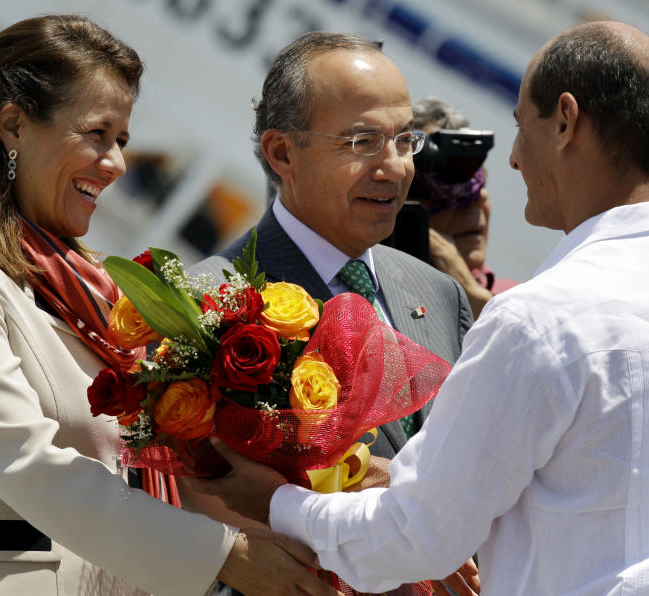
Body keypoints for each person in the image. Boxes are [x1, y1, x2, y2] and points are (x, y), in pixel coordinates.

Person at [195, 21, 649, 594]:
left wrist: (275, 501)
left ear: (565, 122)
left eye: (520, 125)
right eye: (362, 140)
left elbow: (414, 537)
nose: (512, 159)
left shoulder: (541, 318)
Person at [0, 15, 338, 596]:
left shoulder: (100, 293)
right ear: (13, 126)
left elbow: (188, 474)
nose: (116, 163)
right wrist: (226, 556)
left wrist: (339, 520)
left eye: (122, 141)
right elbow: (28, 464)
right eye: (97, 133)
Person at [189, 32, 473, 461]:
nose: (395, 168)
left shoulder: (440, 294)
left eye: (404, 140)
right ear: (282, 154)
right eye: (363, 143)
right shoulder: (210, 301)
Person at [409, 97, 518, 317]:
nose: (477, 200)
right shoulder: (374, 291)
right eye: (448, 191)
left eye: (480, 185)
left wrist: (470, 294)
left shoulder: (518, 302)